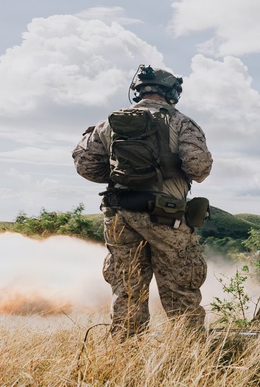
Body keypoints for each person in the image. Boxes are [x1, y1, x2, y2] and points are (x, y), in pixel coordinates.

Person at [72, 65, 213, 339]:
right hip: (166, 217)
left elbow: (85, 165)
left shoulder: (109, 123)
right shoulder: (181, 122)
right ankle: (190, 358)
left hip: (120, 215)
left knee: (126, 290)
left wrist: (123, 178)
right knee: (181, 290)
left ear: (138, 91)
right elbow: (199, 167)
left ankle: (124, 358)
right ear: (171, 92)